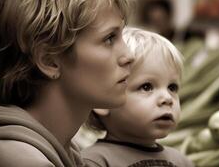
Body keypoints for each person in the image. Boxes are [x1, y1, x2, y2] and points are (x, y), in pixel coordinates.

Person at [0, 0, 134, 166]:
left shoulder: (61, 150)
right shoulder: (18, 160)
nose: (129, 56)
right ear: (49, 61)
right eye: (109, 38)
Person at [82, 27, 194, 167]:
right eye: (146, 87)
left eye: (172, 87)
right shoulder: (94, 161)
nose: (167, 98)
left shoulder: (181, 161)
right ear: (103, 103)